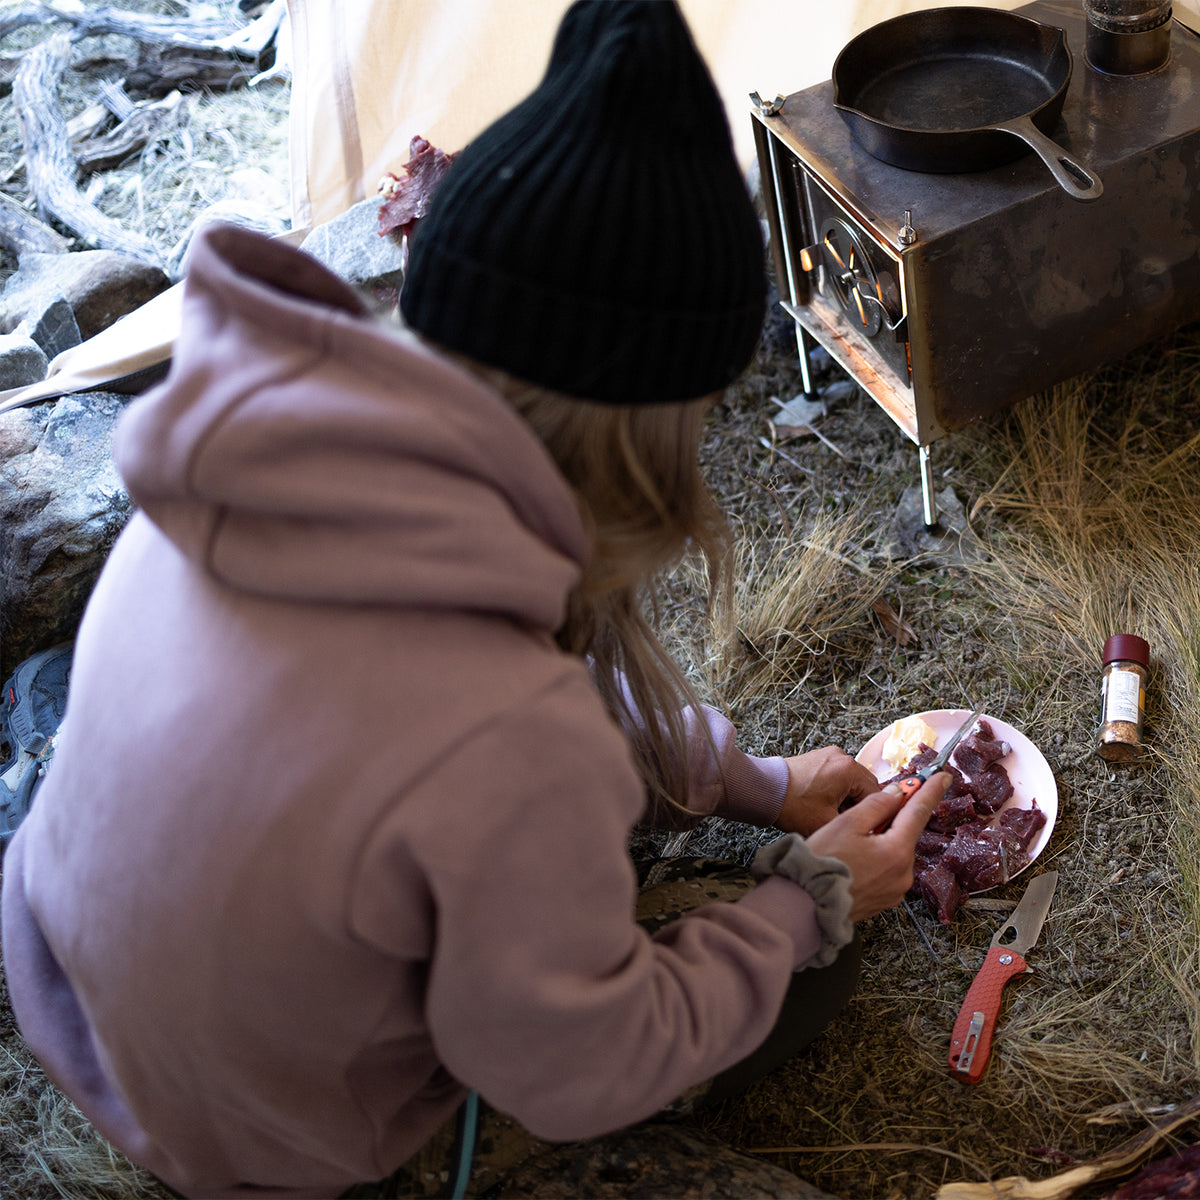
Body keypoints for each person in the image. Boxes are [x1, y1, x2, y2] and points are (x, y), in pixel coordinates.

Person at [0, 2, 949, 1197]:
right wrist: (804, 909)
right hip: (260, 1137)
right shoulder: (508, 735)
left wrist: (749, 782)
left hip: (85, 997)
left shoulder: (250, 463)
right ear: (639, 427)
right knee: (806, 977)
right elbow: (581, 1068)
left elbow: (462, 727)